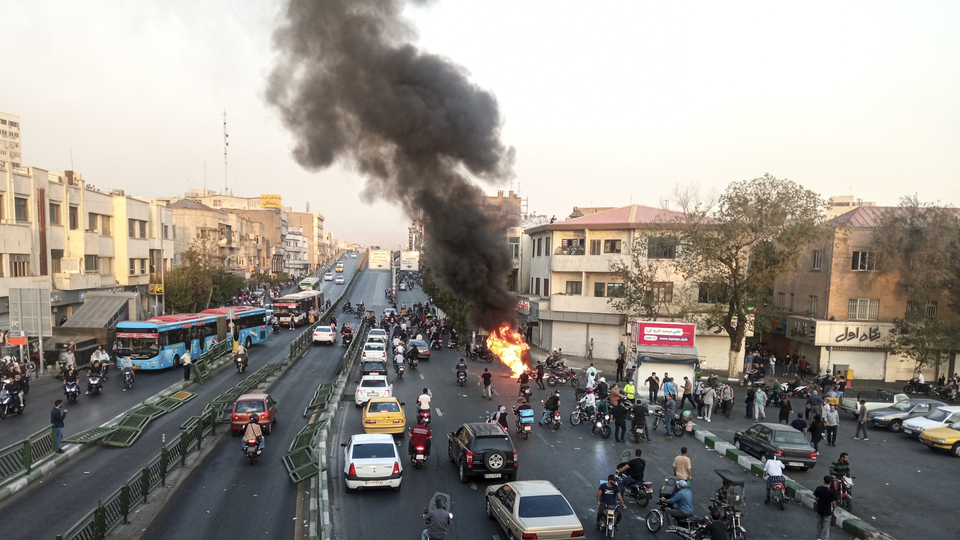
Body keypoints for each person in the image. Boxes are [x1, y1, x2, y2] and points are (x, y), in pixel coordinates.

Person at [814, 475, 837, 540]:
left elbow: (816, 498)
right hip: (827, 511)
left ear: (824, 481)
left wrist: (819, 502)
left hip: (819, 509)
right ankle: (824, 538)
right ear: (830, 482)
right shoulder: (832, 491)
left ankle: (818, 538)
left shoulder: (819, 488)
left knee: (819, 525)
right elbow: (834, 502)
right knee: (826, 527)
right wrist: (834, 510)